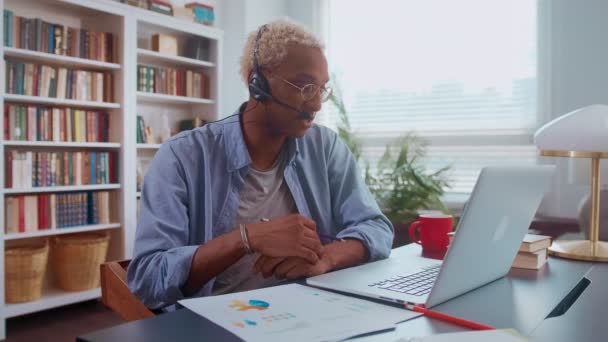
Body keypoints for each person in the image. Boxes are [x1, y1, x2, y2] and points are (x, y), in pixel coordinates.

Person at [128, 19, 394, 309]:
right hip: (215, 320)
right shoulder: (182, 157)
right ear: (258, 83)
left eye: (321, 88)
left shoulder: (325, 147)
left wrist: (326, 258)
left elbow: (376, 228)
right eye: (305, 86)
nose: (317, 103)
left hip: (309, 310)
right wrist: (246, 238)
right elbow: (148, 280)